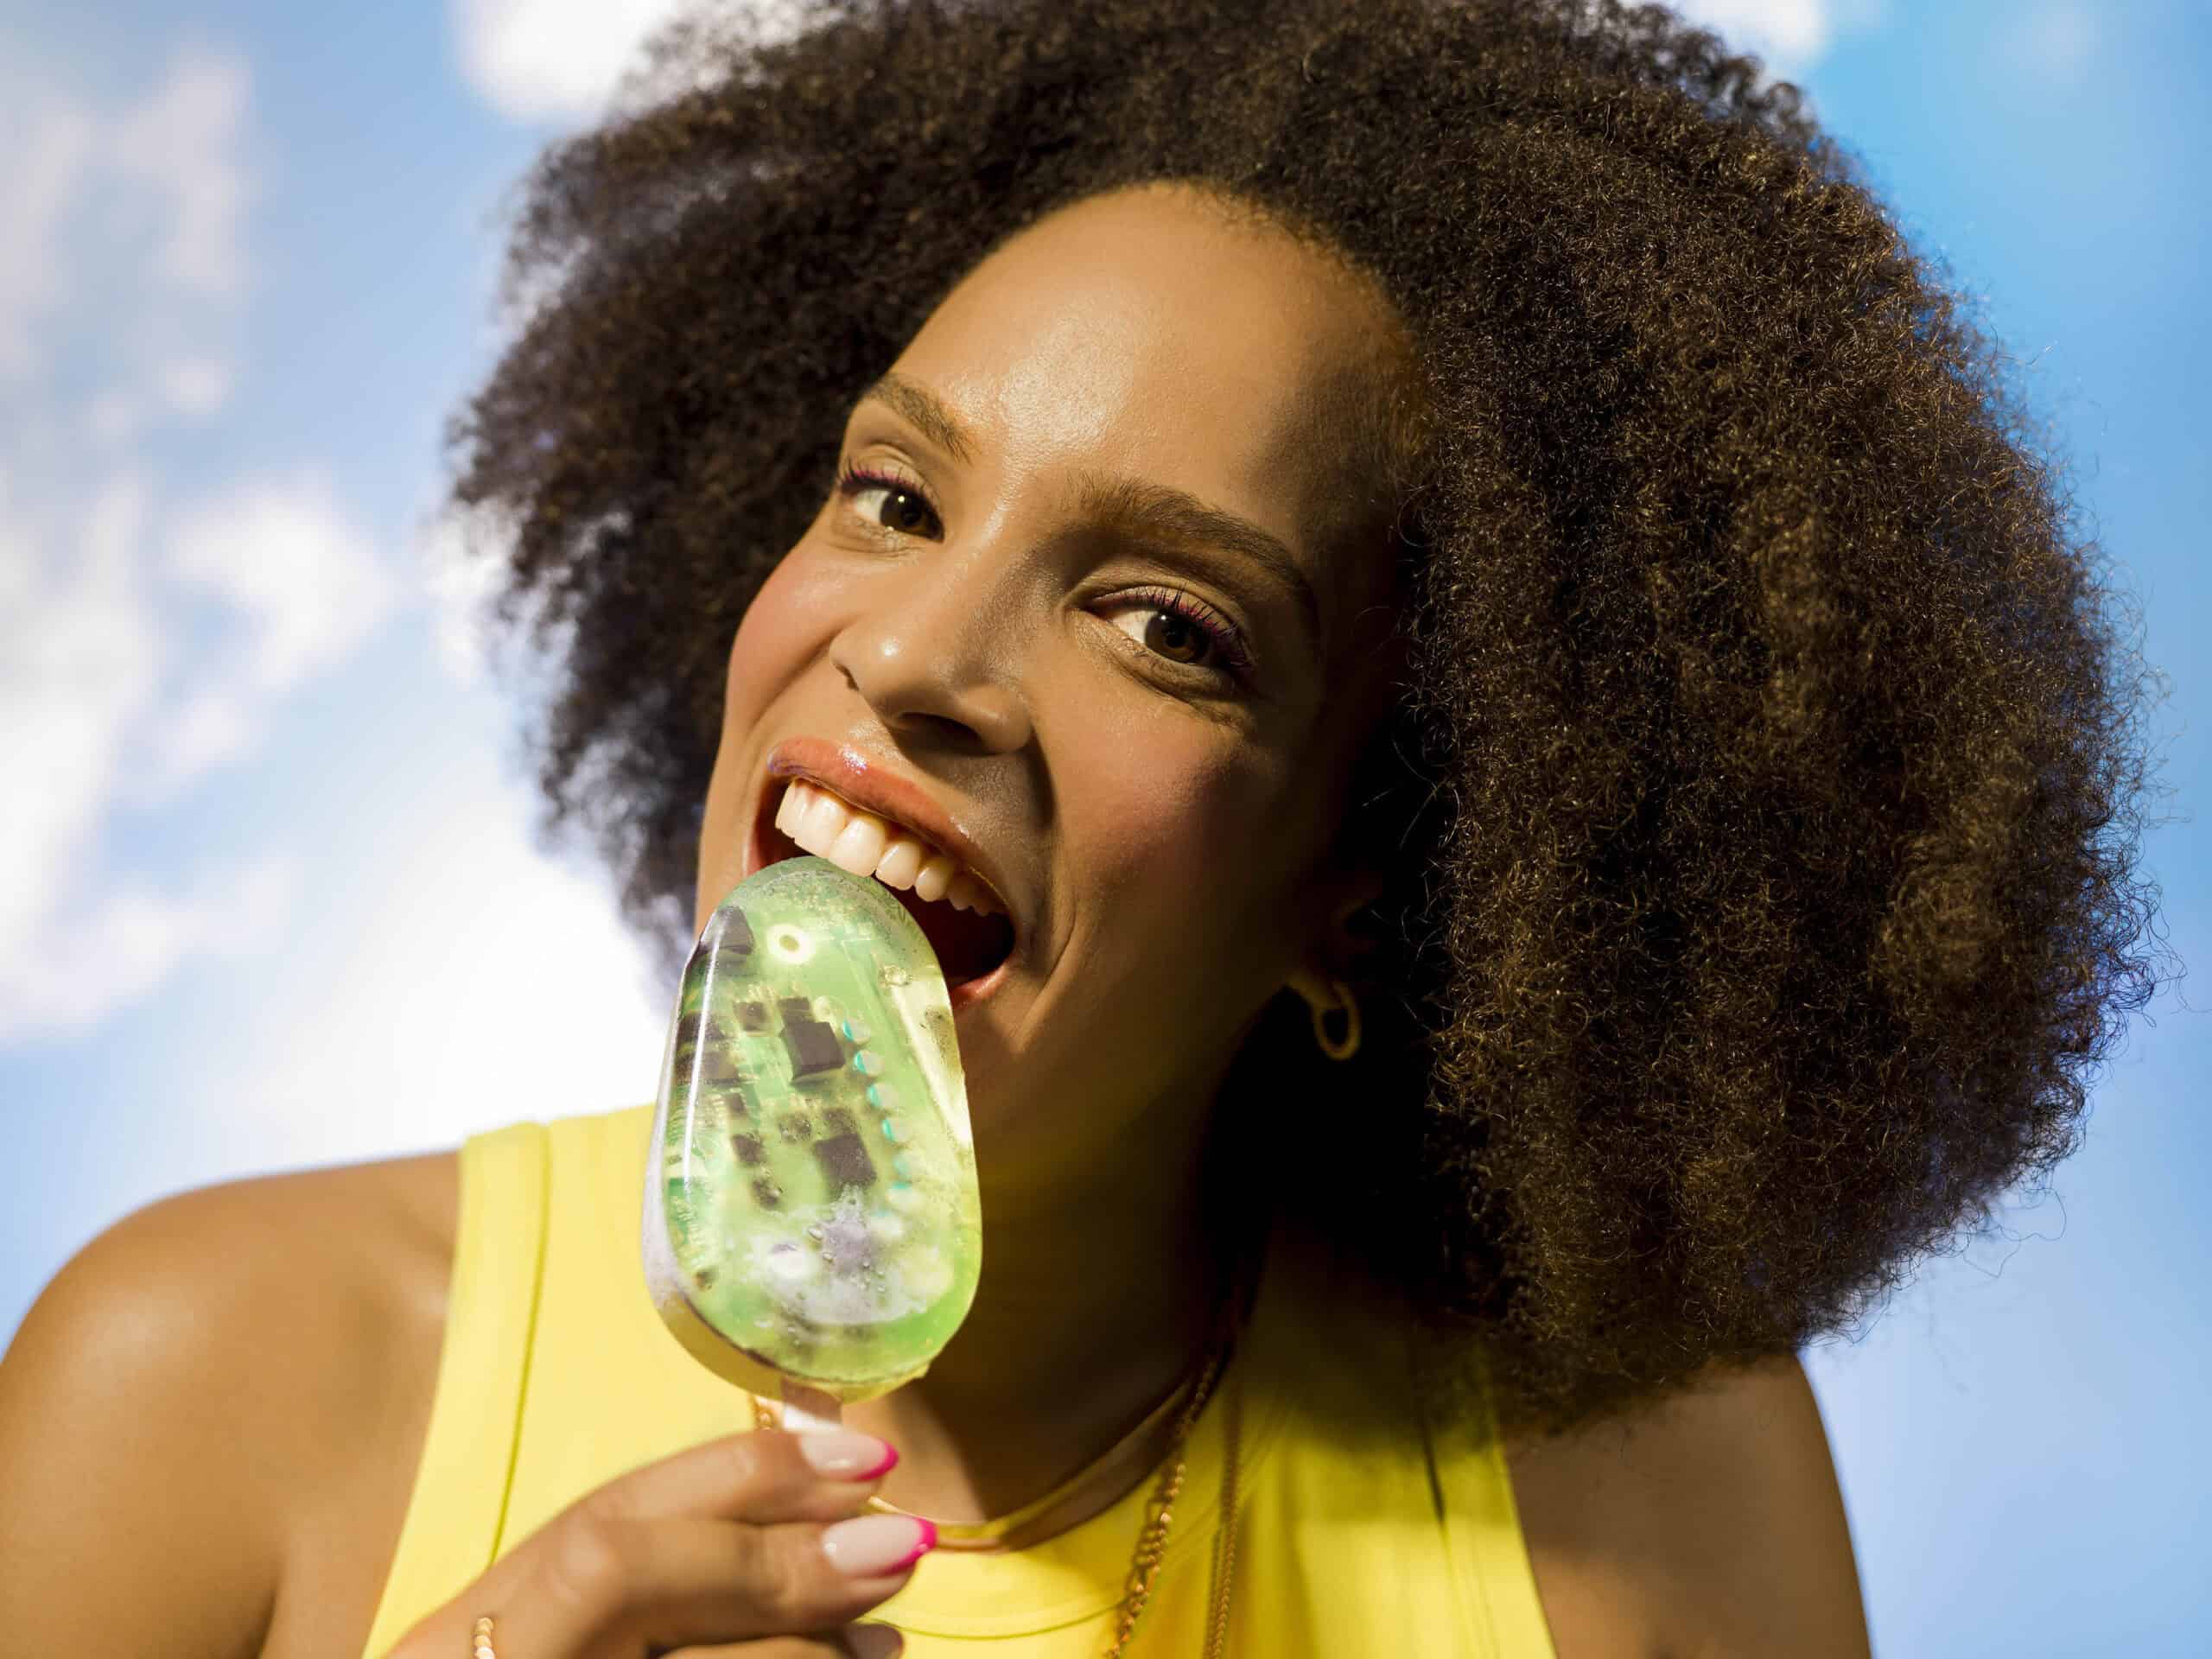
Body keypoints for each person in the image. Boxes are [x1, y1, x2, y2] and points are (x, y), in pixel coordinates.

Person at [0, 0, 2168, 1654]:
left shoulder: (1629, 1493)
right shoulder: (209, 1376)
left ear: (1369, 879)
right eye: (893, 495)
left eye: (1162, 621)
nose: (917, 656)